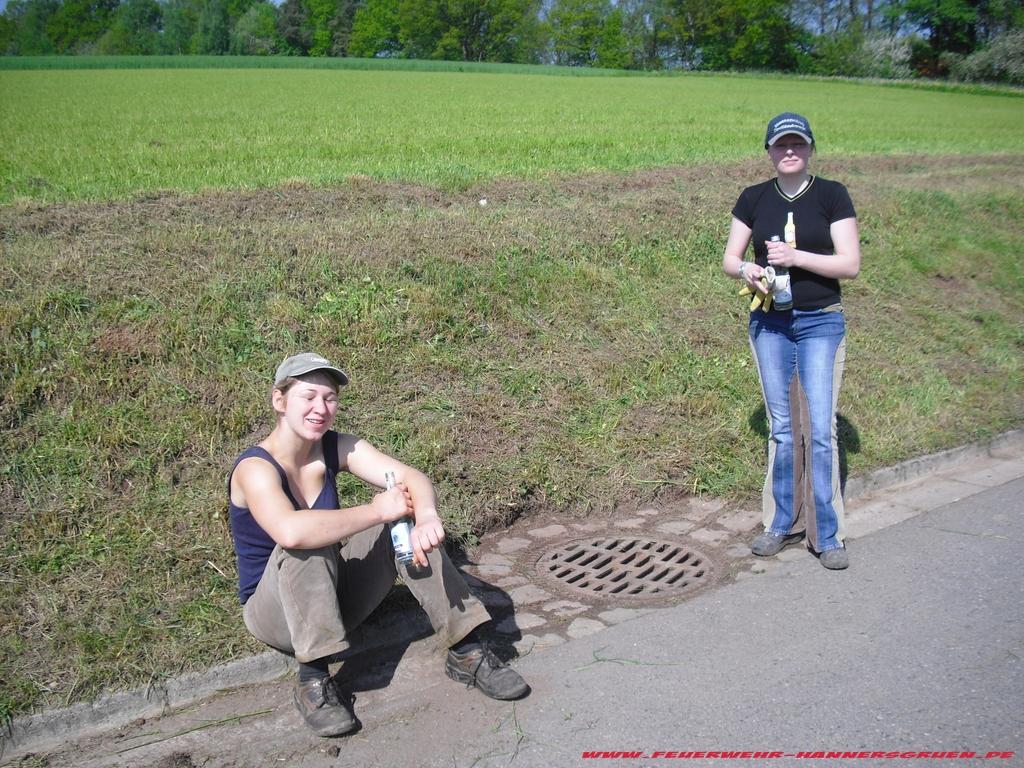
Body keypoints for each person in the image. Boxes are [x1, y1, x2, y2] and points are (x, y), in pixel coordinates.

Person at [228, 352, 529, 737]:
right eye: (308, 396)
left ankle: (466, 649)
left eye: (330, 398)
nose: (321, 408)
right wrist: (375, 511)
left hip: (332, 598)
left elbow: (410, 476)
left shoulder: (335, 447)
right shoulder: (254, 468)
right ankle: (313, 679)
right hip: (274, 615)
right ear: (279, 400)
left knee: (403, 523)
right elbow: (291, 532)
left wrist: (427, 517)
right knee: (309, 540)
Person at [722, 113, 861, 570]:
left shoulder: (831, 194)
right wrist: (750, 270)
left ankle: (827, 534)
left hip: (821, 321)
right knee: (782, 429)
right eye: (780, 145)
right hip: (770, 324)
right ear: (768, 150)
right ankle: (780, 523)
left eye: (797, 144)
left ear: (809, 149)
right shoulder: (753, 198)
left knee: (821, 429)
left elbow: (849, 265)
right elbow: (730, 259)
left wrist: (795, 256)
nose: (788, 152)